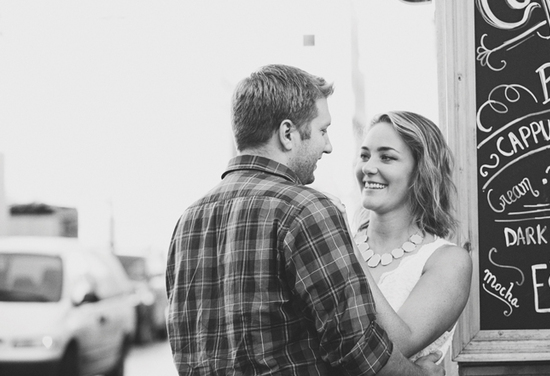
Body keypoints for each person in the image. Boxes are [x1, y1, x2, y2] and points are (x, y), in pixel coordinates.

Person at [165, 65, 444, 376]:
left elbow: (185, 342)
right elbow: (354, 347)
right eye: (323, 130)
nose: (328, 145)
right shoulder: (307, 209)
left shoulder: (188, 220)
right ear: (288, 134)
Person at [348, 111, 472, 363]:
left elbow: (395, 345)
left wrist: (348, 253)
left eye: (386, 157)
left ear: (420, 172)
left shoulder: (448, 261)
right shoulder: (339, 245)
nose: (368, 168)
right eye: (364, 155)